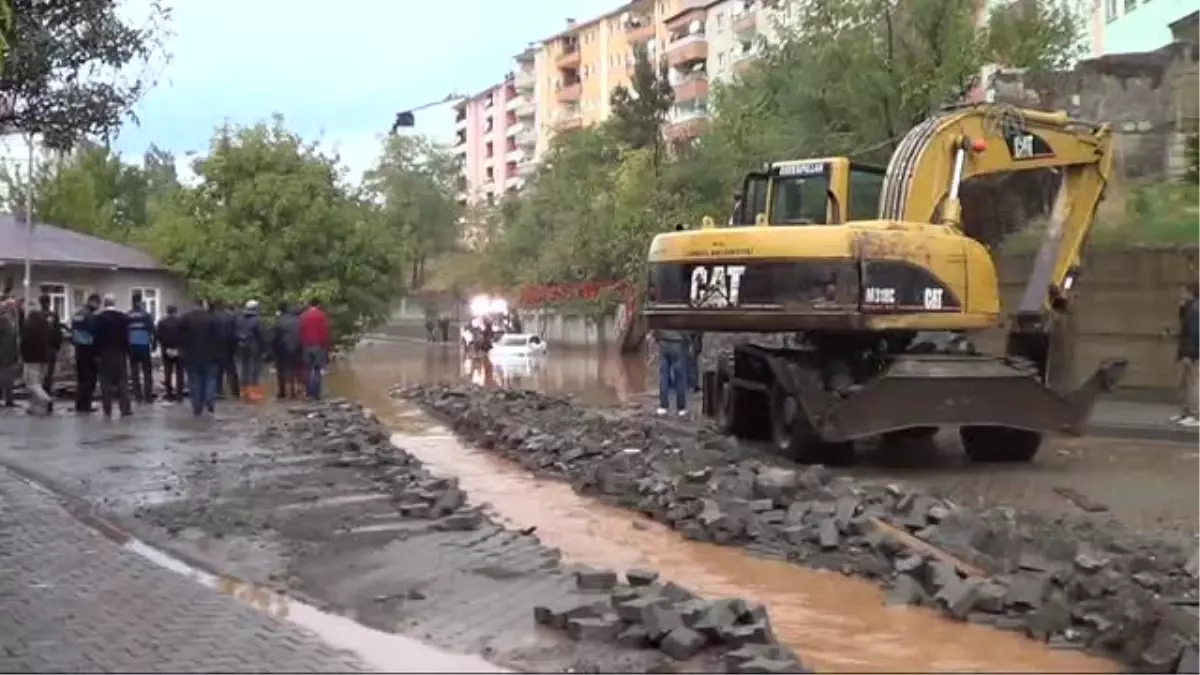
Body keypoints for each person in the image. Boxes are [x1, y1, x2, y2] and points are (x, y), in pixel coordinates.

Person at [92, 294, 132, 418]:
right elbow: (126, 337)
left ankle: (107, 409)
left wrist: (96, 353)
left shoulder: (98, 318)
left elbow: (96, 338)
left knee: (105, 382)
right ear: (114, 303)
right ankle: (125, 409)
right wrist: (127, 352)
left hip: (104, 353)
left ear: (104, 303)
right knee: (122, 382)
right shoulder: (123, 318)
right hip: (119, 353)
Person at [19, 294, 58, 415]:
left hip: (31, 358)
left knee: (31, 383)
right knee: (39, 383)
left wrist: (22, 355)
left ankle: (47, 399)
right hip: (45, 357)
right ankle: (34, 407)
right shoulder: (45, 321)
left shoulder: (28, 323)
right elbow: (54, 336)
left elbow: (24, 341)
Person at [180, 300, 220, 416]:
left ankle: (197, 407)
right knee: (210, 380)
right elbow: (218, 338)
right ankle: (210, 402)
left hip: (191, 356)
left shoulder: (185, 319)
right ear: (204, 305)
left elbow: (180, 337)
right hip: (210, 356)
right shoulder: (212, 319)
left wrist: (182, 351)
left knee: (194, 382)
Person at [70, 293, 101, 412]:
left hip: (79, 349)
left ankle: (79, 404)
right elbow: (95, 333)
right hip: (89, 350)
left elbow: (73, 331)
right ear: (92, 302)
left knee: (81, 378)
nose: (98, 307)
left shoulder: (76, 314)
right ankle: (86, 405)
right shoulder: (90, 316)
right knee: (90, 378)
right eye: (97, 303)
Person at [1176, 284, 1200, 427]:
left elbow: (1194, 334)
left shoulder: (1196, 310)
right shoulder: (1190, 308)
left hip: (1194, 353)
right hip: (1190, 352)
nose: (1180, 294)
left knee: (1194, 384)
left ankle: (1195, 414)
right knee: (1186, 384)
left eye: (1183, 291)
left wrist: (1188, 354)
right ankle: (1187, 412)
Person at [298, 298, 330, 400]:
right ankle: (316, 394)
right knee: (317, 369)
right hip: (318, 346)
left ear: (309, 304)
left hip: (306, 346)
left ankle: (309, 392)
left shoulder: (303, 316)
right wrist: (325, 345)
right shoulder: (322, 315)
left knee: (307, 369)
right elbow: (324, 331)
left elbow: (301, 332)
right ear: (318, 305)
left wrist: (303, 343)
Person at [126, 293, 156, 403]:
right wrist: (154, 344)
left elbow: (125, 332)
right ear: (139, 302)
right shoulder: (146, 315)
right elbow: (152, 330)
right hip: (144, 346)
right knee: (147, 372)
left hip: (132, 346)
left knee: (134, 373)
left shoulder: (128, 315)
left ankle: (138, 396)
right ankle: (148, 396)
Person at [234, 299, 267, 401]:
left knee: (243, 369)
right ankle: (253, 392)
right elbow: (260, 335)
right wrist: (264, 349)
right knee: (254, 369)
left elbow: (235, 332)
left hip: (241, 346)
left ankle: (243, 391)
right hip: (254, 347)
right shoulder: (257, 320)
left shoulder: (239, 318)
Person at [653, 328, 689, 417]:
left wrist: (658, 338)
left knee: (664, 376)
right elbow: (685, 327)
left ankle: (663, 407)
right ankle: (681, 408)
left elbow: (656, 326)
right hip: (678, 342)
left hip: (664, 342)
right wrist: (688, 342)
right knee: (680, 377)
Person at [271, 301, 302, 399]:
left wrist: (271, 352)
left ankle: (282, 392)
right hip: (297, 348)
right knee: (295, 370)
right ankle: (295, 391)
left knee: (282, 371)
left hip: (282, 349)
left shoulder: (279, 321)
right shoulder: (298, 319)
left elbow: (274, 338)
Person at [156, 305, 185, 402]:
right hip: (179, 349)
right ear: (176, 311)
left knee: (167, 372)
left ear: (167, 312)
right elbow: (184, 335)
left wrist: (164, 347)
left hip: (166, 349)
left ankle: (169, 393)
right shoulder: (181, 322)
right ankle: (179, 395)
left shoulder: (161, 322)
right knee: (179, 373)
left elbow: (159, 336)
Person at [213, 300, 240, 399]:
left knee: (218, 371)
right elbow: (233, 334)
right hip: (228, 348)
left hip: (216, 348)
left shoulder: (214, 317)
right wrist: (235, 349)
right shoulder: (232, 318)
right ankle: (235, 392)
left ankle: (218, 391)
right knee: (231, 371)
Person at [0, 291, 20, 408]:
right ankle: (8, 400)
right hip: (4, 354)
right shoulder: (3, 320)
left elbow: (14, 337)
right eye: (11, 306)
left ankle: (9, 400)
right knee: (5, 378)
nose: (14, 308)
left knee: (9, 379)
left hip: (11, 354)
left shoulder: (12, 319)